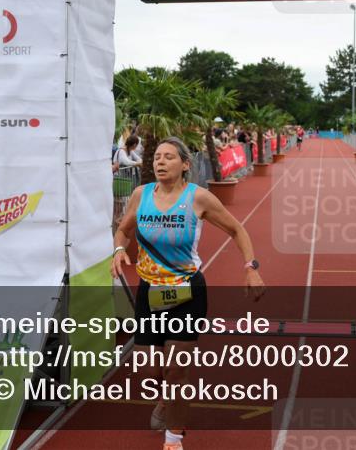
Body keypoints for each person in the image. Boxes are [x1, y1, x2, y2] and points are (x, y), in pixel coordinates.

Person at [110, 137, 265, 450]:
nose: (160, 162)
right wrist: (117, 250)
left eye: (168, 157)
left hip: (187, 293)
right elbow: (124, 229)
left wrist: (251, 266)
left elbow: (237, 229)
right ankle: (165, 400)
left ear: (184, 164)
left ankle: (174, 438)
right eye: (157, 158)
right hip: (149, 292)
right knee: (147, 373)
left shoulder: (199, 198)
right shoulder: (142, 194)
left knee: (177, 372)